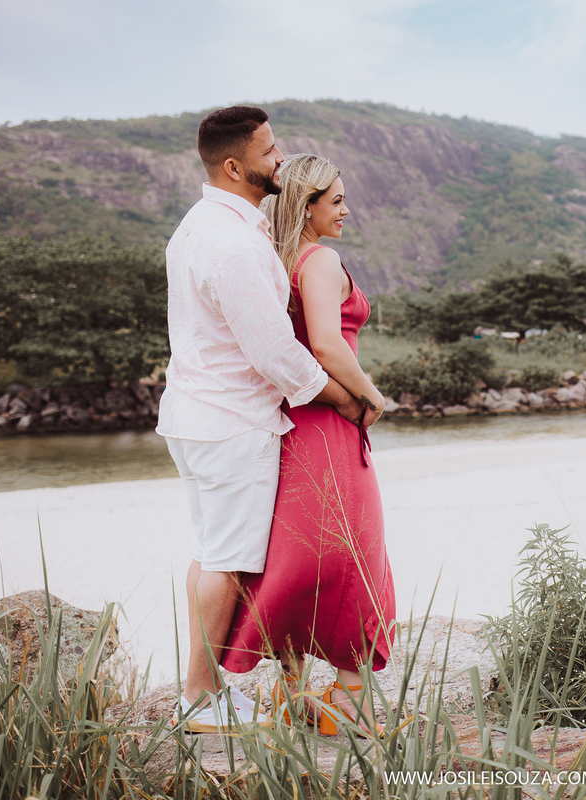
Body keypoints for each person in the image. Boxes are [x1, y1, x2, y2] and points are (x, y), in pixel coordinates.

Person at [159, 107, 365, 734]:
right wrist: (345, 398)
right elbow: (275, 352)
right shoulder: (234, 243)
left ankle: (202, 687)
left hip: (192, 416)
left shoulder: (194, 227)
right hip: (232, 423)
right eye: (270, 151)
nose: (279, 159)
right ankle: (198, 698)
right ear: (234, 165)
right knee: (228, 559)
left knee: (208, 553)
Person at [220, 153, 394, 737]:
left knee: (295, 551)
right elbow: (325, 343)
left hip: (292, 419)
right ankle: (348, 698)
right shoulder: (319, 260)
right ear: (310, 204)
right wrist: (372, 396)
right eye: (337, 200)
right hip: (327, 422)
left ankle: (293, 694)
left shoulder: (275, 261)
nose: (346, 210)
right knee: (356, 549)